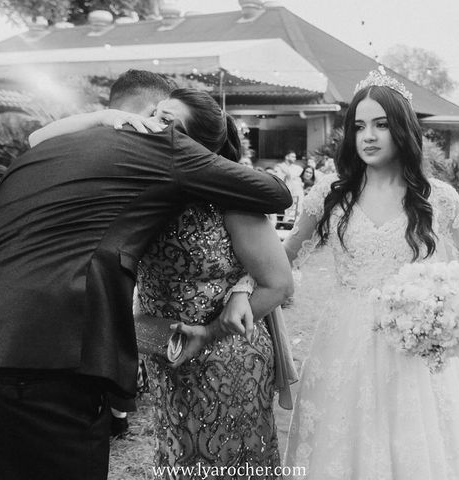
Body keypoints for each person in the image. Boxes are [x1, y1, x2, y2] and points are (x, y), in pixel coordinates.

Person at [0, 70, 292, 480]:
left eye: (170, 123)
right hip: (38, 361)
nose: (158, 127)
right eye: (158, 117)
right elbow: (275, 192)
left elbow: (275, 255)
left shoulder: (56, 149)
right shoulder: (154, 148)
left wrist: (242, 283)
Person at [29, 87, 295, 476]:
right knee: (177, 455)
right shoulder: (139, 186)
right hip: (164, 350)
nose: (152, 122)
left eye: (167, 121)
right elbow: (38, 142)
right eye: (154, 112)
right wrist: (103, 117)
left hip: (226, 354)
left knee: (230, 461)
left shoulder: (229, 196)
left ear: (194, 146)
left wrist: (213, 327)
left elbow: (279, 283)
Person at [270, 69, 459, 478]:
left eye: (381, 125)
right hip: (344, 340)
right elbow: (288, 254)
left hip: (411, 340)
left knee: (411, 445)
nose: (368, 136)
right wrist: (253, 282)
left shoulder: (436, 197)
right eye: (359, 126)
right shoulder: (331, 194)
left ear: (402, 129)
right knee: (343, 443)